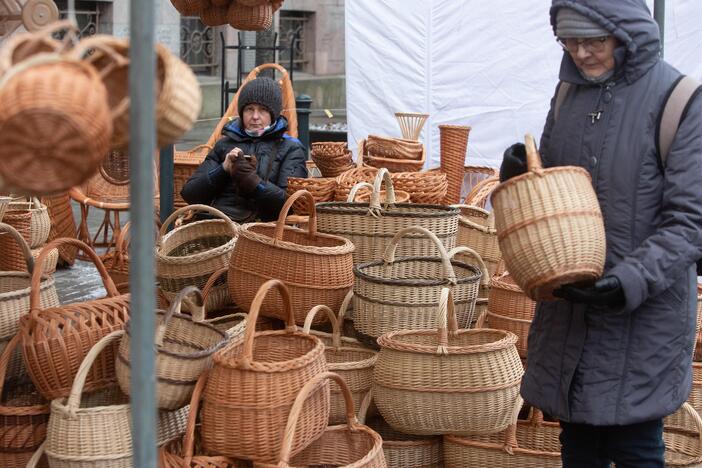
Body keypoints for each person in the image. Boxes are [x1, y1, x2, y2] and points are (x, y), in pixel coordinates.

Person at [499, 1, 702, 466]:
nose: (582, 53)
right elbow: (551, 181)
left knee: (635, 447)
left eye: (595, 41)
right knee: (579, 446)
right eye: (570, 42)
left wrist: (628, 282)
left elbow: (690, 223)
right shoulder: (569, 95)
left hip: (642, 318)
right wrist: (519, 171)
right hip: (572, 310)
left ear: (626, 34)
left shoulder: (681, 100)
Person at [181, 76, 307, 223]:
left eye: (263, 110)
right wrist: (223, 169)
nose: (255, 116)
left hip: (260, 230)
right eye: (249, 109)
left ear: (274, 115)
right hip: (216, 223)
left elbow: (290, 205)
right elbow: (190, 195)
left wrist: (253, 182)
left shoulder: (291, 147)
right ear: (241, 112)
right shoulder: (224, 143)